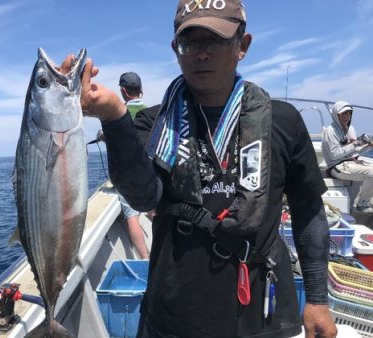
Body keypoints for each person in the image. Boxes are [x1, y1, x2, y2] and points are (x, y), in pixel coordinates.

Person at [60, 1, 337, 337]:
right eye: (190, 43)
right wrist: (115, 117)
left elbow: (309, 210)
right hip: (174, 312)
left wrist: (318, 298)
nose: (202, 54)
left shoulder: (283, 121)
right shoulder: (154, 122)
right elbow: (142, 194)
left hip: (261, 315)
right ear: (177, 51)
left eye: (216, 40)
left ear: (242, 46)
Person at [117, 72, 149, 259]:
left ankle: (145, 259)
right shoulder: (151, 111)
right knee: (153, 209)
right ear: (141, 90)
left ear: (123, 91)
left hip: (127, 174)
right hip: (149, 170)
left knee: (132, 216)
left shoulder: (119, 113)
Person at [322, 100, 373, 213]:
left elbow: (354, 152)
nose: (347, 116)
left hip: (350, 162)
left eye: (349, 113)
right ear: (336, 114)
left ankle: (365, 201)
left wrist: (368, 146)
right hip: (336, 167)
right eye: (343, 114)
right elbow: (334, 155)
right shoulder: (330, 131)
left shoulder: (350, 129)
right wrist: (355, 143)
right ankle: (361, 204)